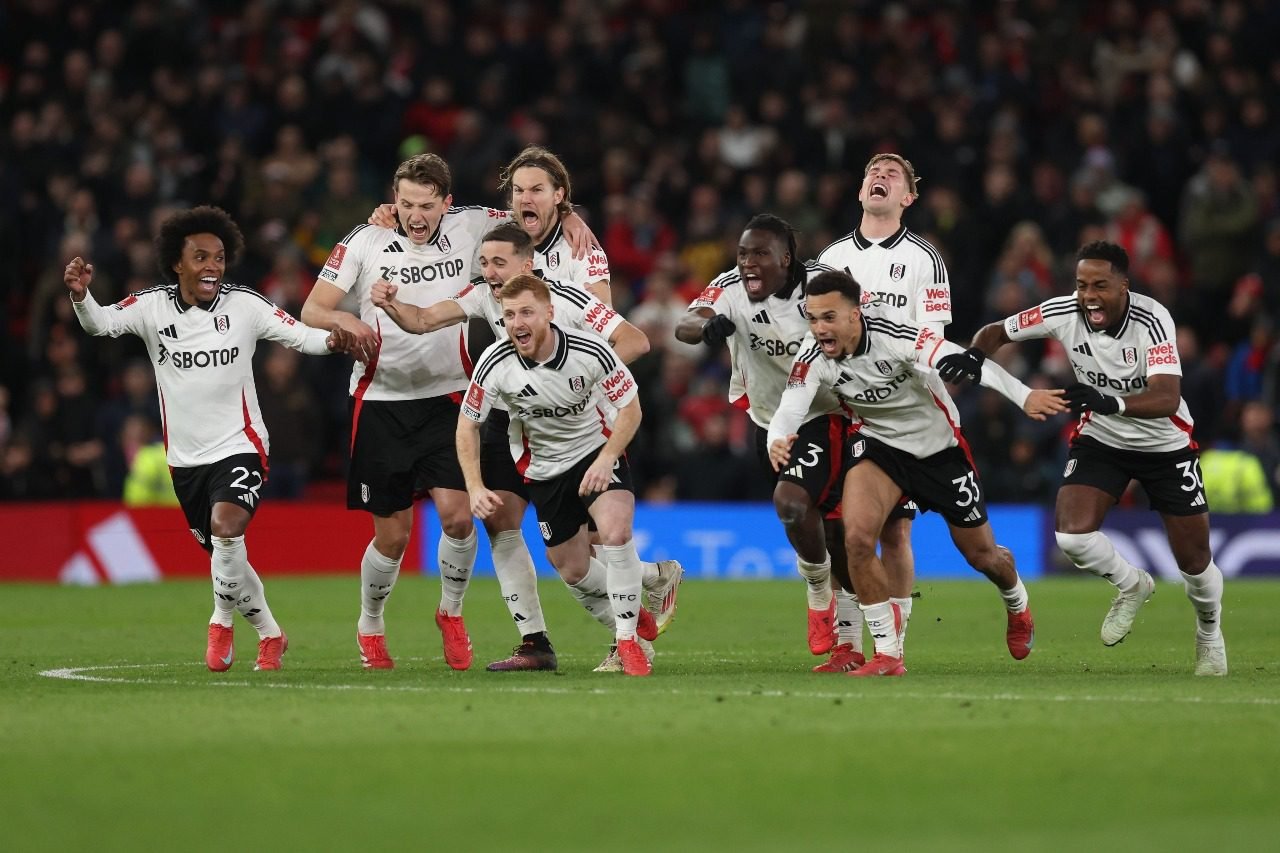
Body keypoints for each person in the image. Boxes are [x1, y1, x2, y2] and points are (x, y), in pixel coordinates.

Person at [371, 222, 681, 671]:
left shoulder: (569, 302)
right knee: (519, 532)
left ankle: (628, 633)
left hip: (583, 426)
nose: (490, 273)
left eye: (499, 263)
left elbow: (635, 340)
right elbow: (421, 321)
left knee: (606, 538)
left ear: (528, 265)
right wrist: (389, 303)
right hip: (519, 423)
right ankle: (537, 640)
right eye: (484, 263)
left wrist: (577, 382)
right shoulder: (485, 305)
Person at [301, 153, 568, 672]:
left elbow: (534, 217)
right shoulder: (364, 240)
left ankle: (451, 611)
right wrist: (346, 322)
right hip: (380, 401)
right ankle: (371, 622)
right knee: (393, 536)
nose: (415, 215)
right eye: (405, 204)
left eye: (426, 205)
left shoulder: (474, 225)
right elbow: (313, 307)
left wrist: (573, 219)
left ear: (447, 203)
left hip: (450, 398)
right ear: (392, 200)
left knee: (459, 517)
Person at [64, 205, 357, 672]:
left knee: (227, 528)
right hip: (184, 460)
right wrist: (82, 297)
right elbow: (99, 323)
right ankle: (271, 634)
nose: (212, 267)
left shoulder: (245, 304)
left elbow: (299, 336)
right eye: (200, 257)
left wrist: (334, 340)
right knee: (229, 558)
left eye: (219, 257)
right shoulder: (151, 307)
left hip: (241, 445)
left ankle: (220, 622)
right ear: (177, 263)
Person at [768, 270, 1067, 676]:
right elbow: (790, 404)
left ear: (856, 315)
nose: (819, 329)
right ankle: (888, 656)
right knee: (857, 539)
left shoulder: (897, 334)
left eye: (829, 318)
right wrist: (779, 437)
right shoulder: (814, 355)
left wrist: (1024, 395)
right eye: (813, 318)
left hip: (938, 451)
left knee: (982, 556)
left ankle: (1016, 602)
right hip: (878, 447)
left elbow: (964, 361)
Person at [958, 241, 1229, 675]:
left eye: (1100, 286)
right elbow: (995, 331)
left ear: (1124, 285)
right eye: (1082, 285)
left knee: (1195, 564)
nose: (1089, 296)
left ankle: (1209, 634)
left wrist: (1110, 400)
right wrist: (973, 356)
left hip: (1165, 444)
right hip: (1103, 438)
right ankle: (1130, 584)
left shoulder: (1152, 319)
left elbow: (1166, 396)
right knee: (1071, 537)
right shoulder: (1062, 311)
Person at [675, 214, 855, 673]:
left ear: (786, 258)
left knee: (796, 507)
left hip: (824, 416)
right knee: (823, 529)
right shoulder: (731, 287)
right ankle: (848, 644)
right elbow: (686, 323)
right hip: (765, 420)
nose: (748, 264)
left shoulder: (821, 286)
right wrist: (707, 328)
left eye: (759, 254)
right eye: (742, 254)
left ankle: (819, 594)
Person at [458, 274, 657, 675]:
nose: (517, 322)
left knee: (616, 534)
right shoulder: (495, 363)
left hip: (595, 454)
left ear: (549, 313)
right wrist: (475, 486)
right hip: (545, 470)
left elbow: (631, 409)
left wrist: (607, 458)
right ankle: (634, 605)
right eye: (510, 314)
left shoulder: (592, 351)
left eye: (527, 312)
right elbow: (466, 426)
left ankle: (626, 641)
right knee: (572, 568)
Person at [815, 153, 951, 670]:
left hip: (897, 411)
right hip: (841, 407)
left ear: (908, 198)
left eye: (893, 175)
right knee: (839, 529)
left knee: (893, 531)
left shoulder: (923, 259)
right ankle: (849, 645)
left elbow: (933, 338)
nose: (880, 176)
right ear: (860, 191)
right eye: (873, 171)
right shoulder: (831, 257)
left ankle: (894, 643)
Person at [369, 145, 612, 304]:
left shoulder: (580, 247)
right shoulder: (492, 227)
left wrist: (568, 214)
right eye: (519, 190)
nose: (526, 198)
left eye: (537, 190)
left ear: (558, 195)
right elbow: (431, 209)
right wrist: (395, 211)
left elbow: (605, 321)